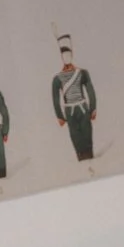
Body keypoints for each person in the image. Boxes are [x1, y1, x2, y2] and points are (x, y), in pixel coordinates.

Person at [51, 32, 100, 162]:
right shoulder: (57, 78)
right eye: (64, 55)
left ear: (72, 55)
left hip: (82, 107)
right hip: (69, 111)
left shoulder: (82, 73)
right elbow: (55, 98)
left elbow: (90, 90)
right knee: (75, 136)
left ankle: (90, 156)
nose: (66, 57)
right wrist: (60, 116)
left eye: (68, 55)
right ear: (61, 57)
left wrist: (93, 108)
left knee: (87, 133)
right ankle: (81, 158)